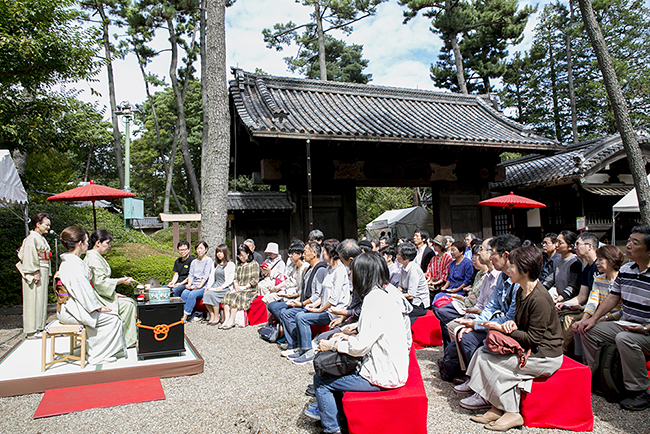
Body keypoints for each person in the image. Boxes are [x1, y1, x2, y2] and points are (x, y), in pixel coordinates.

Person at [305, 253, 413, 433]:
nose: (350, 275)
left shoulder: (373, 299)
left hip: (383, 375)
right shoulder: (383, 293)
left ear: (363, 274)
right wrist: (352, 333)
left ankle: (332, 429)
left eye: (352, 272)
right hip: (392, 366)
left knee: (321, 381)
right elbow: (375, 331)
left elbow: (360, 347)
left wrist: (332, 345)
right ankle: (340, 420)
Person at [461, 245, 563, 431]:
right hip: (529, 347)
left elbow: (533, 338)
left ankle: (512, 412)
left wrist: (503, 329)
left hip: (545, 354)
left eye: (512, 266)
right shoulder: (521, 290)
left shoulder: (539, 298)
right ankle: (497, 406)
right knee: (483, 355)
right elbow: (517, 321)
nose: (508, 270)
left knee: (493, 363)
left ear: (525, 270)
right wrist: (510, 325)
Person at [579, 226, 650, 411]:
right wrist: (593, 319)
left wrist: (645, 329)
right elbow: (613, 297)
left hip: (646, 329)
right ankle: (604, 378)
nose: (628, 246)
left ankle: (639, 391)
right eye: (628, 241)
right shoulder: (626, 269)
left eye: (635, 243)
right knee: (588, 330)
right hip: (627, 323)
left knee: (625, 338)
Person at [440, 234, 521, 383]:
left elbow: (509, 317)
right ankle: (472, 377)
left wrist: (478, 324)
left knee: (468, 338)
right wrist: (477, 323)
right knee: (461, 329)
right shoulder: (502, 277)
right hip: (490, 319)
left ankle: (480, 383)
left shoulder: (517, 281)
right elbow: (492, 306)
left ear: (506, 255)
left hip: (509, 328)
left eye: (491, 252)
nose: (489, 256)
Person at [57, 226, 126, 365]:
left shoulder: (72, 261)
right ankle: (98, 354)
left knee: (110, 315)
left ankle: (99, 350)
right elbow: (83, 291)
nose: (88, 244)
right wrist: (96, 307)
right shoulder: (74, 264)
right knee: (112, 318)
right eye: (86, 241)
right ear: (79, 243)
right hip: (72, 309)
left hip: (72, 306)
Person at [290, 239, 351, 364]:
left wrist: (319, 310)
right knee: (300, 314)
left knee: (302, 317)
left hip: (334, 312)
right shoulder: (329, 269)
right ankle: (303, 348)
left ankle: (308, 351)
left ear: (331, 252)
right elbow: (323, 295)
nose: (322, 254)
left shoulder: (340, 271)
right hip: (325, 308)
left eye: (324, 251)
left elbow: (333, 299)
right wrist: (313, 305)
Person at [434, 238, 498, 348]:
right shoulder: (481, 274)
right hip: (469, 303)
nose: (476, 255)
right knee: (438, 300)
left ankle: (453, 354)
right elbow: (478, 300)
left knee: (442, 311)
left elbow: (478, 299)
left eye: (481, 250)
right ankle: (451, 354)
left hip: (467, 301)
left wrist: (458, 292)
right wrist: (445, 287)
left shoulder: (496, 276)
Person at [84, 229, 137, 348]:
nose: (109, 246)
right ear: (98, 243)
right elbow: (100, 283)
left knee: (128, 301)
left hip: (100, 294)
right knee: (128, 305)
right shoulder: (93, 258)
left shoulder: (96, 256)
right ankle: (126, 340)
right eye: (107, 243)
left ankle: (126, 338)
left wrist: (114, 293)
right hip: (98, 298)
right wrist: (120, 281)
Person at [274, 242, 328, 356]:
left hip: (315, 305)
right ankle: (293, 344)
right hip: (306, 302)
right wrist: (298, 301)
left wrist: (302, 304)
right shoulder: (309, 268)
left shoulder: (320, 270)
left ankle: (297, 345)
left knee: (288, 314)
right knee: (283, 312)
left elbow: (317, 295)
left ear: (314, 253)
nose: (303, 255)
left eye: (305, 252)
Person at [572, 245, 624, 361]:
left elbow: (622, 310)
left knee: (587, 330)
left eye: (600, 260)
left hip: (615, 319)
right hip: (599, 316)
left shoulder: (621, 279)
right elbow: (592, 301)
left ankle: (594, 363)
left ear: (611, 261)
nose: (597, 263)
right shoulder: (599, 279)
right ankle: (583, 361)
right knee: (578, 327)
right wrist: (584, 319)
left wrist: (601, 319)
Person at [555, 231, 599, 353]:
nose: (575, 247)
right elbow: (582, 296)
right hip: (586, 306)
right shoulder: (586, 270)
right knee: (557, 311)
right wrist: (565, 303)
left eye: (578, 244)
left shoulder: (600, 267)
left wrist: (582, 308)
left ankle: (562, 351)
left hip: (596, 310)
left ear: (590, 246)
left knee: (569, 319)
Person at [16, 212, 52, 338]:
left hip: (42, 268)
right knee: (33, 299)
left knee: (41, 299)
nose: (48, 227)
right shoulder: (32, 238)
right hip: (36, 270)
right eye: (46, 225)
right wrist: (34, 272)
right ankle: (32, 329)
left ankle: (39, 326)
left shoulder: (39, 237)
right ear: (37, 224)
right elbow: (29, 255)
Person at [220, 244, 260, 329]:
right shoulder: (238, 265)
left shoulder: (254, 264)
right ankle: (226, 320)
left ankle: (231, 320)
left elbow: (255, 280)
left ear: (248, 253)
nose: (241, 258)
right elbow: (235, 278)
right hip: (239, 288)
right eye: (239, 256)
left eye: (242, 255)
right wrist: (236, 286)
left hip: (250, 290)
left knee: (236, 296)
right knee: (227, 295)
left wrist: (244, 287)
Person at [177, 241, 214, 321]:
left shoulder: (208, 260)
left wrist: (200, 286)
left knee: (192, 295)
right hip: (194, 285)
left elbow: (206, 275)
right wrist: (189, 285)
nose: (199, 250)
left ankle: (185, 316)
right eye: (197, 249)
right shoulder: (194, 262)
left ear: (206, 249)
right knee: (184, 293)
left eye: (201, 248)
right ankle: (181, 313)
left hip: (203, 286)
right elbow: (191, 275)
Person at [397, 242, 430, 324]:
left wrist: (397, 295)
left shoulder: (413, 269)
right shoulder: (403, 267)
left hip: (418, 304)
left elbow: (411, 295)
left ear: (406, 258)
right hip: (407, 301)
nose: (397, 256)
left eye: (398, 254)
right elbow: (400, 286)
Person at [203, 244, 235, 325]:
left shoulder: (230, 264)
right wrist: (208, 286)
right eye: (217, 252)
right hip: (216, 285)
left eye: (221, 252)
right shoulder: (215, 264)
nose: (219, 254)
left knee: (213, 295)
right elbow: (211, 277)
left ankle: (217, 315)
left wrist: (222, 287)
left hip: (225, 287)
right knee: (206, 293)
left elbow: (230, 279)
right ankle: (212, 314)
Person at [550, 230, 582, 302]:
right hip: (560, 299)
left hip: (572, 301)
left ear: (570, 246)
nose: (556, 245)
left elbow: (572, 287)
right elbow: (550, 279)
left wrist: (557, 300)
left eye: (560, 243)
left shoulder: (575, 262)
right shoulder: (556, 261)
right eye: (556, 241)